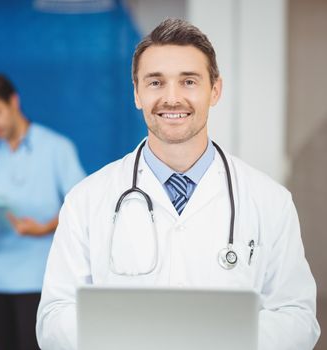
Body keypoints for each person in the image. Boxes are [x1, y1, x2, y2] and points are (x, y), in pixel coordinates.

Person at [36, 18, 320, 350]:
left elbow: (298, 316)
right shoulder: (86, 200)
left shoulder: (270, 200)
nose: (172, 98)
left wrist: (217, 343)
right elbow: (54, 317)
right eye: (155, 82)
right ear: (137, 94)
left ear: (215, 90)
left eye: (188, 81)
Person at [0, 74, 85, 350]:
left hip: (37, 276)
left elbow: (80, 209)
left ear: (14, 101)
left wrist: (44, 228)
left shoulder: (57, 148)